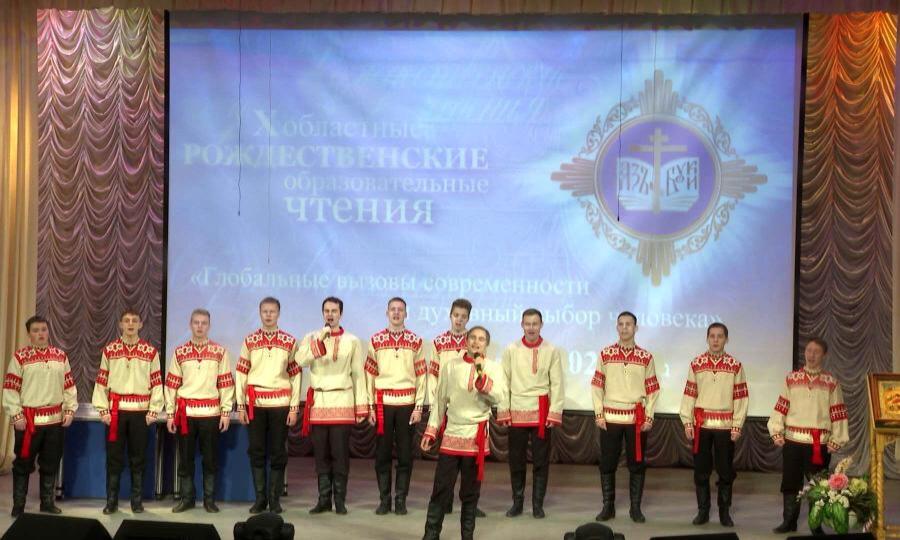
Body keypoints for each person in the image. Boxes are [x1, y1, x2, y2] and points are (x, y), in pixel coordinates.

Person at [421, 326, 506, 540]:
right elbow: (440, 401)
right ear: (466, 341)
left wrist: (483, 380)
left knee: (470, 493)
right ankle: (431, 535)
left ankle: (467, 536)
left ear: (487, 344)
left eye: (481, 339)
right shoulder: (451, 366)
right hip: (452, 433)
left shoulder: (493, 368)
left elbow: (499, 397)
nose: (476, 342)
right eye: (473, 338)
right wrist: (431, 431)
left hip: (475, 437)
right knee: (441, 488)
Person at [768, 337, 849, 534]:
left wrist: (837, 439)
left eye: (816, 351)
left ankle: (815, 525)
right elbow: (781, 406)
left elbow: (838, 412)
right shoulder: (791, 379)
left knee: (818, 485)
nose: (811, 355)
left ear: (824, 355)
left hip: (817, 443)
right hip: (792, 441)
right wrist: (776, 430)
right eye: (809, 350)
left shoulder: (831, 383)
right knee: (790, 483)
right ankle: (789, 522)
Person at [296, 296, 368, 515]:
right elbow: (300, 361)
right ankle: (323, 499)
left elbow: (358, 374)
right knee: (321, 455)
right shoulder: (311, 337)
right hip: (319, 403)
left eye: (334, 311)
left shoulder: (352, 340)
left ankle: (340, 500)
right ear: (322, 313)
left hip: (342, 401)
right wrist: (320, 339)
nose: (330, 314)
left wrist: (361, 405)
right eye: (326, 311)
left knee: (340, 454)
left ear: (341, 314)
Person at [3, 316, 77, 517]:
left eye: (43, 329)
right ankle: (19, 505)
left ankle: (47, 502)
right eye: (36, 330)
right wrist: (16, 414)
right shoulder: (20, 357)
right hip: (29, 421)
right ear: (29, 334)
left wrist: (70, 410)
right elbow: (10, 388)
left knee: (51, 462)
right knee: (23, 463)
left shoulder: (60, 356)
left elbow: (69, 386)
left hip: (54, 420)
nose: (41, 333)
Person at [92, 308, 164, 514]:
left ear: (141, 324)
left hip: (140, 413)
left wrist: (153, 410)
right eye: (126, 320)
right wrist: (103, 409)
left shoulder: (150, 352)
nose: (130, 324)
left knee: (138, 458)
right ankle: (111, 501)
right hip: (116, 413)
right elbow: (102, 381)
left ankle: (136, 501)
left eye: (134, 320)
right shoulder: (110, 350)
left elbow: (156, 383)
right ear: (121, 324)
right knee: (114, 458)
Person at [235, 297, 302, 514]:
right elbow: (241, 373)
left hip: (280, 404)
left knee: (278, 452)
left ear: (278, 314)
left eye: (272, 311)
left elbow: (296, 375)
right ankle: (260, 499)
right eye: (265, 311)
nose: (268, 315)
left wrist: (294, 407)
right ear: (260, 313)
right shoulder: (249, 341)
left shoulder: (290, 341)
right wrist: (241, 405)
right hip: (255, 404)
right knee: (256, 451)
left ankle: (274, 500)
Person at [678, 322, 748, 527]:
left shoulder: (735, 365)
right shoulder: (696, 363)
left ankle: (724, 512)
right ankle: (703, 511)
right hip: (702, 426)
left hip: (725, 427)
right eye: (712, 336)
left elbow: (741, 397)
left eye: (720, 336)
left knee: (725, 471)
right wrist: (687, 422)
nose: (716, 340)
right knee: (701, 470)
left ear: (727, 339)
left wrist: (737, 425)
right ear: (707, 338)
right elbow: (690, 394)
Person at [165, 308, 235, 513]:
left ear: (209, 326)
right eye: (196, 322)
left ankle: (209, 500)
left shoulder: (220, 352)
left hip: (210, 414)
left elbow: (225, 383)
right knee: (185, 459)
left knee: (210, 459)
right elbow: (172, 385)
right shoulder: (179, 352)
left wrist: (225, 412)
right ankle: (187, 498)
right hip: (185, 415)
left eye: (204, 323)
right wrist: (170, 414)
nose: (200, 326)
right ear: (190, 324)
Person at [592, 311, 658, 523]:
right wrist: (599, 413)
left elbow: (653, 389)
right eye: (621, 324)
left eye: (628, 324)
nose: (624, 328)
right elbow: (597, 385)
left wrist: (649, 416)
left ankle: (635, 508)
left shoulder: (646, 357)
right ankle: (608, 507)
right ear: (616, 327)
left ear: (635, 328)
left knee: (636, 464)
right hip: (610, 417)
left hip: (636, 420)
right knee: (607, 463)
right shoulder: (606, 354)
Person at [497, 308, 564, 519]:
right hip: (516, 409)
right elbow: (503, 381)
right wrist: (504, 410)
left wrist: (554, 412)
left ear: (541, 325)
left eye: (535, 324)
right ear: (522, 325)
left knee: (541, 461)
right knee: (516, 460)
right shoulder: (511, 349)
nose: (531, 328)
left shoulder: (551, 350)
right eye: (528, 324)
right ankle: (517, 503)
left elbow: (557, 383)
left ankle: (537, 505)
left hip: (541, 412)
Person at [365, 297, 427, 515]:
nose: (396, 313)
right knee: (382, 455)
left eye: (400, 310)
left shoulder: (416, 341)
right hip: (383, 404)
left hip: (407, 405)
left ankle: (401, 500)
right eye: (393, 309)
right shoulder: (375, 340)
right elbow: (369, 375)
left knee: (405, 455)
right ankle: (384, 500)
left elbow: (421, 375)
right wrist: (370, 407)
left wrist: (419, 406)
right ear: (387, 313)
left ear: (406, 314)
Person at [427, 298, 485, 518]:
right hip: (446, 407)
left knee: (469, 460)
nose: (459, 320)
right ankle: (445, 501)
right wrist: (437, 399)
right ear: (450, 316)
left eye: (463, 316)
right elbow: (433, 374)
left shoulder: (474, 341)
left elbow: (481, 372)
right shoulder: (439, 342)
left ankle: (470, 503)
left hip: (468, 409)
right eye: (456, 315)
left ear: (468, 318)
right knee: (447, 459)